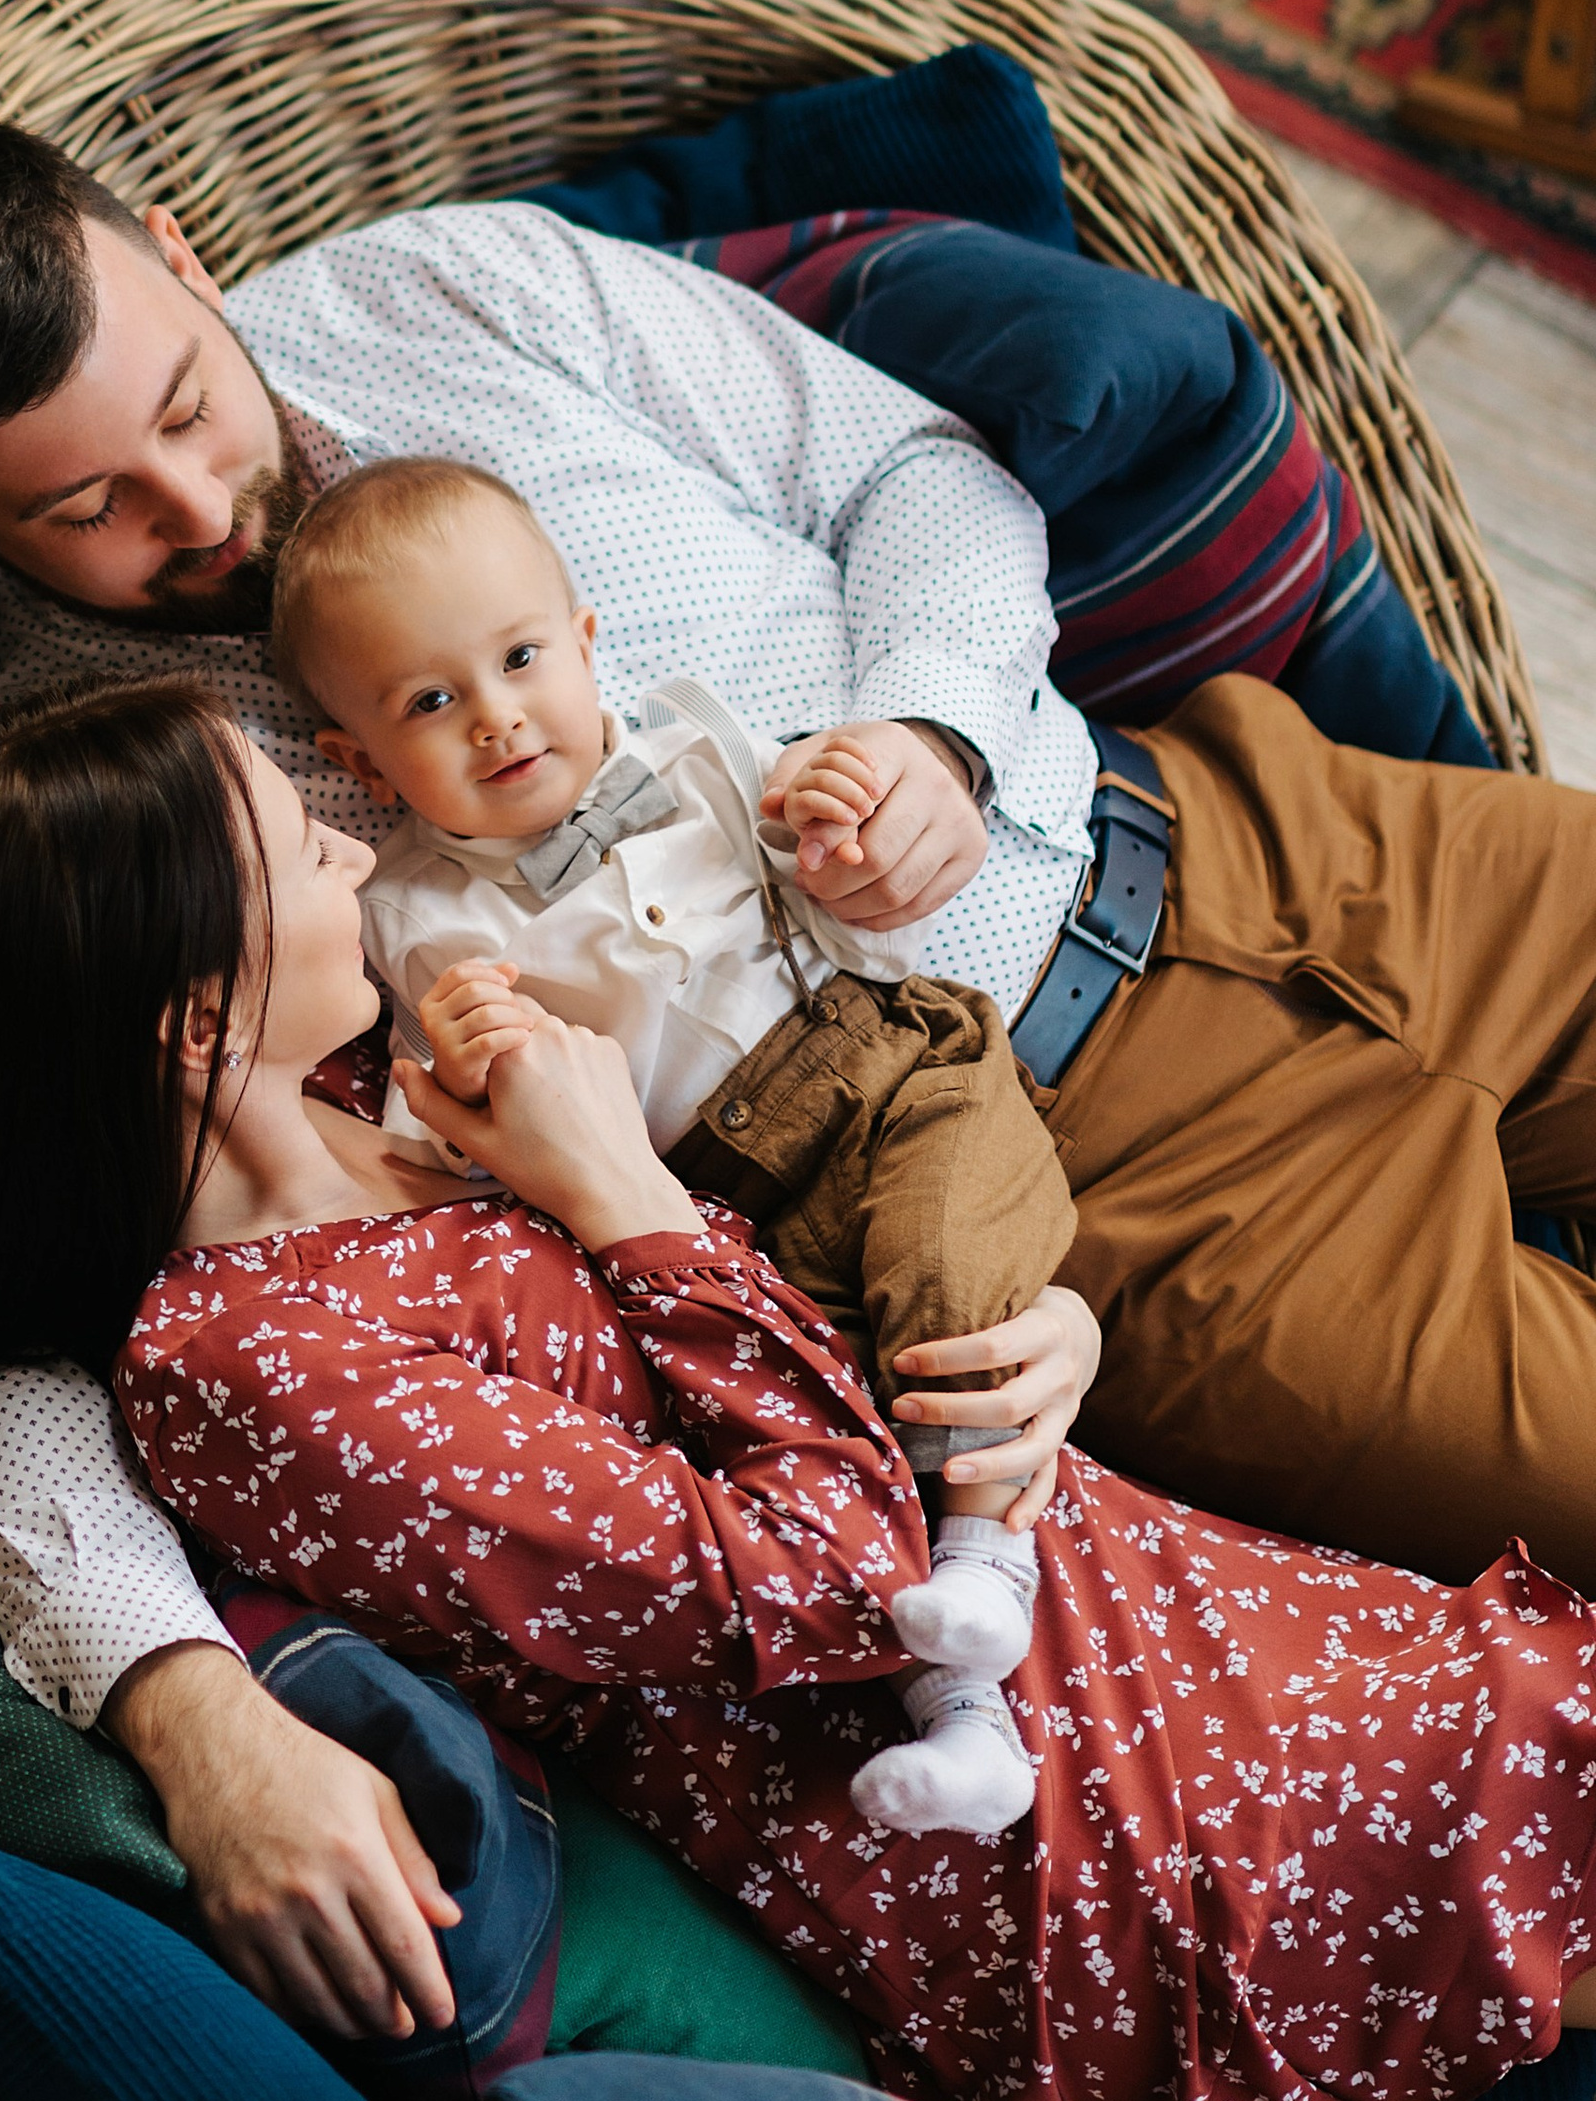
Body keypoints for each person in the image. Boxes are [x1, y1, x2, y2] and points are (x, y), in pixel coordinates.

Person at [0, 113, 1596, 2048]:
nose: (199, 502)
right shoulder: (111, 805)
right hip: (1110, 1216)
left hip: (1233, 825)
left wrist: (936, 732)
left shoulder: (444, 285)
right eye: (87, 509)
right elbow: (14, 1320)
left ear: (182, 254)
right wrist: (187, 1709)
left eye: (187, 403)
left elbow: (913, 473)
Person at [0, 680, 1596, 2101]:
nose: (358, 850)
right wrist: (628, 1200)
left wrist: (1022, 1307)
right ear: (190, 1015)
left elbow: (820, 1314)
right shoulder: (258, 1376)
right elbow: (840, 1586)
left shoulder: (392, 1090)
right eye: (299, 848)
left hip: (1141, 1604)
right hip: (1054, 1811)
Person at [271, 450, 1075, 1834]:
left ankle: (990, 1564)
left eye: (523, 657)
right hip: (724, 1200)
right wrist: (462, 1064)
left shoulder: (702, 747)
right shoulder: (404, 920)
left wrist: (832, 822)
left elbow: (862, 914)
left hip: (882, 1068)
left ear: (588, 645)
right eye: (430, 702)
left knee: (946, 1284)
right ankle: (964, 1710)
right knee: (832, 1407)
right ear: (359, 764)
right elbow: (449, 1147)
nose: (499, 718)